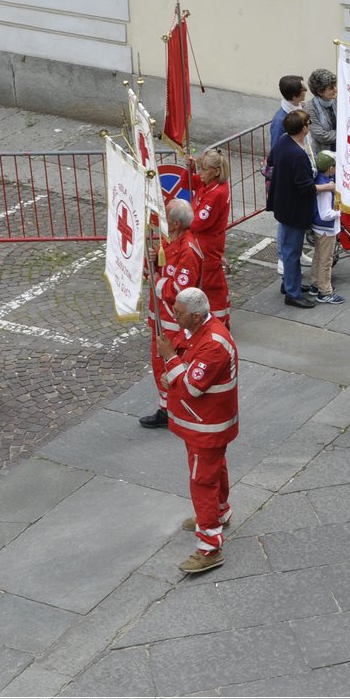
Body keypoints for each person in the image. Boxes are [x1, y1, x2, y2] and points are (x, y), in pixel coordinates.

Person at [164, 287, 239, 574]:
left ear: (196, 316)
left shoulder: (214, 344)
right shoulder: (200, 331)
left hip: (206, 426)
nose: (174, 316)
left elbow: (191, 388)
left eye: (179, 313)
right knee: (214, 469)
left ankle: (209, 547)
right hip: (204, 424)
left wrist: (170, 359)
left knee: (202, 483)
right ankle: (220, 512)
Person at [139, 199, 207, 429]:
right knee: (160, 365)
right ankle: (166, 408)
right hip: (163, 319)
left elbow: (178, 291)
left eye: (166, 218)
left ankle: (172, 411)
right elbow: (165, 273)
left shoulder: (187, 251)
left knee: (169, 364)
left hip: (173, 322)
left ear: (176, 223)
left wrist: (158, 279)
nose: (162, 223)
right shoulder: (171, 243)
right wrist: (154, 263)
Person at [269, 111, 318, 309]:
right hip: (293, 208)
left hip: (284, 202)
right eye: (308, 123)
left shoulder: (283, 141)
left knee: (291, 249)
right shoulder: (297, 154)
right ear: (304, 129)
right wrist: (330, 187)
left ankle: (291, 283)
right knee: (292, 251)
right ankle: (292, 292)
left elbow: (272, 160)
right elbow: (306, 187)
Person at [185, 148, 231, 323]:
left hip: (207, 246)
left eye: (203, 169)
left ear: (216, 171)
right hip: (204, 244)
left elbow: (197, 223)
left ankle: (218, 321)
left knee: (210, 285)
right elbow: (187, 183)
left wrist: (182, 219)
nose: (200, 172)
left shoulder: (216, 193)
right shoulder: (210, 184)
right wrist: (189, 169)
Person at [310, 150, 343, 305]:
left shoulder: (320, 180)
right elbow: (326, 214)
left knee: (318, 257)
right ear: (330, 168)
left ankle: (316, 284)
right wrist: (341, 212)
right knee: (326, 260)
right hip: (326, 229)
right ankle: (325, 292)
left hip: (318, 228)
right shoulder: (327, 189)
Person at [306, 68, 339, 153]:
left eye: (335, 85)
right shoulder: (310, 108)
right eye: (331, 88)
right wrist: (345, 133)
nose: (335, 89)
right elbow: (322, 136)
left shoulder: (338, 100)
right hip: (323, 156)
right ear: (320, 92)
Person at [268, 75, 307, 143]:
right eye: (303, 89)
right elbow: (276, 149)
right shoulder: (280, 122)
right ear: (294, 96)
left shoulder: (302, 107)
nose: (306, 90)